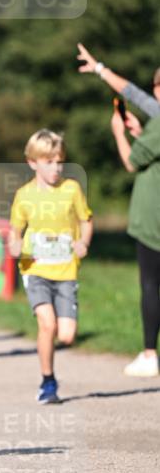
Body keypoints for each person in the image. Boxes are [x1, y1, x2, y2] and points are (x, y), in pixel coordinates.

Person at [77, 47, 160, 377]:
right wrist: (99, 68)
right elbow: (134, 95)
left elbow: (131, 162)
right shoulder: (155, 124)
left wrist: (119, 134)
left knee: (152, 286)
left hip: (153, 220)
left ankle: (150, 353)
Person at [8, 129, 93, 403]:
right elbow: (15, 231)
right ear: (33, 162)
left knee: (66, 335)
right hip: (35, 268)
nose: (56, 168)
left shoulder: (72, 189)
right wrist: (14, 246)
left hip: (66, 270)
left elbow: (85, 220)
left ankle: (50, 373)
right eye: (49, 162)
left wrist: (84, 243)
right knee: (48, 324)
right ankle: (48, 382)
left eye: (60, 162)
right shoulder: (24, 195)